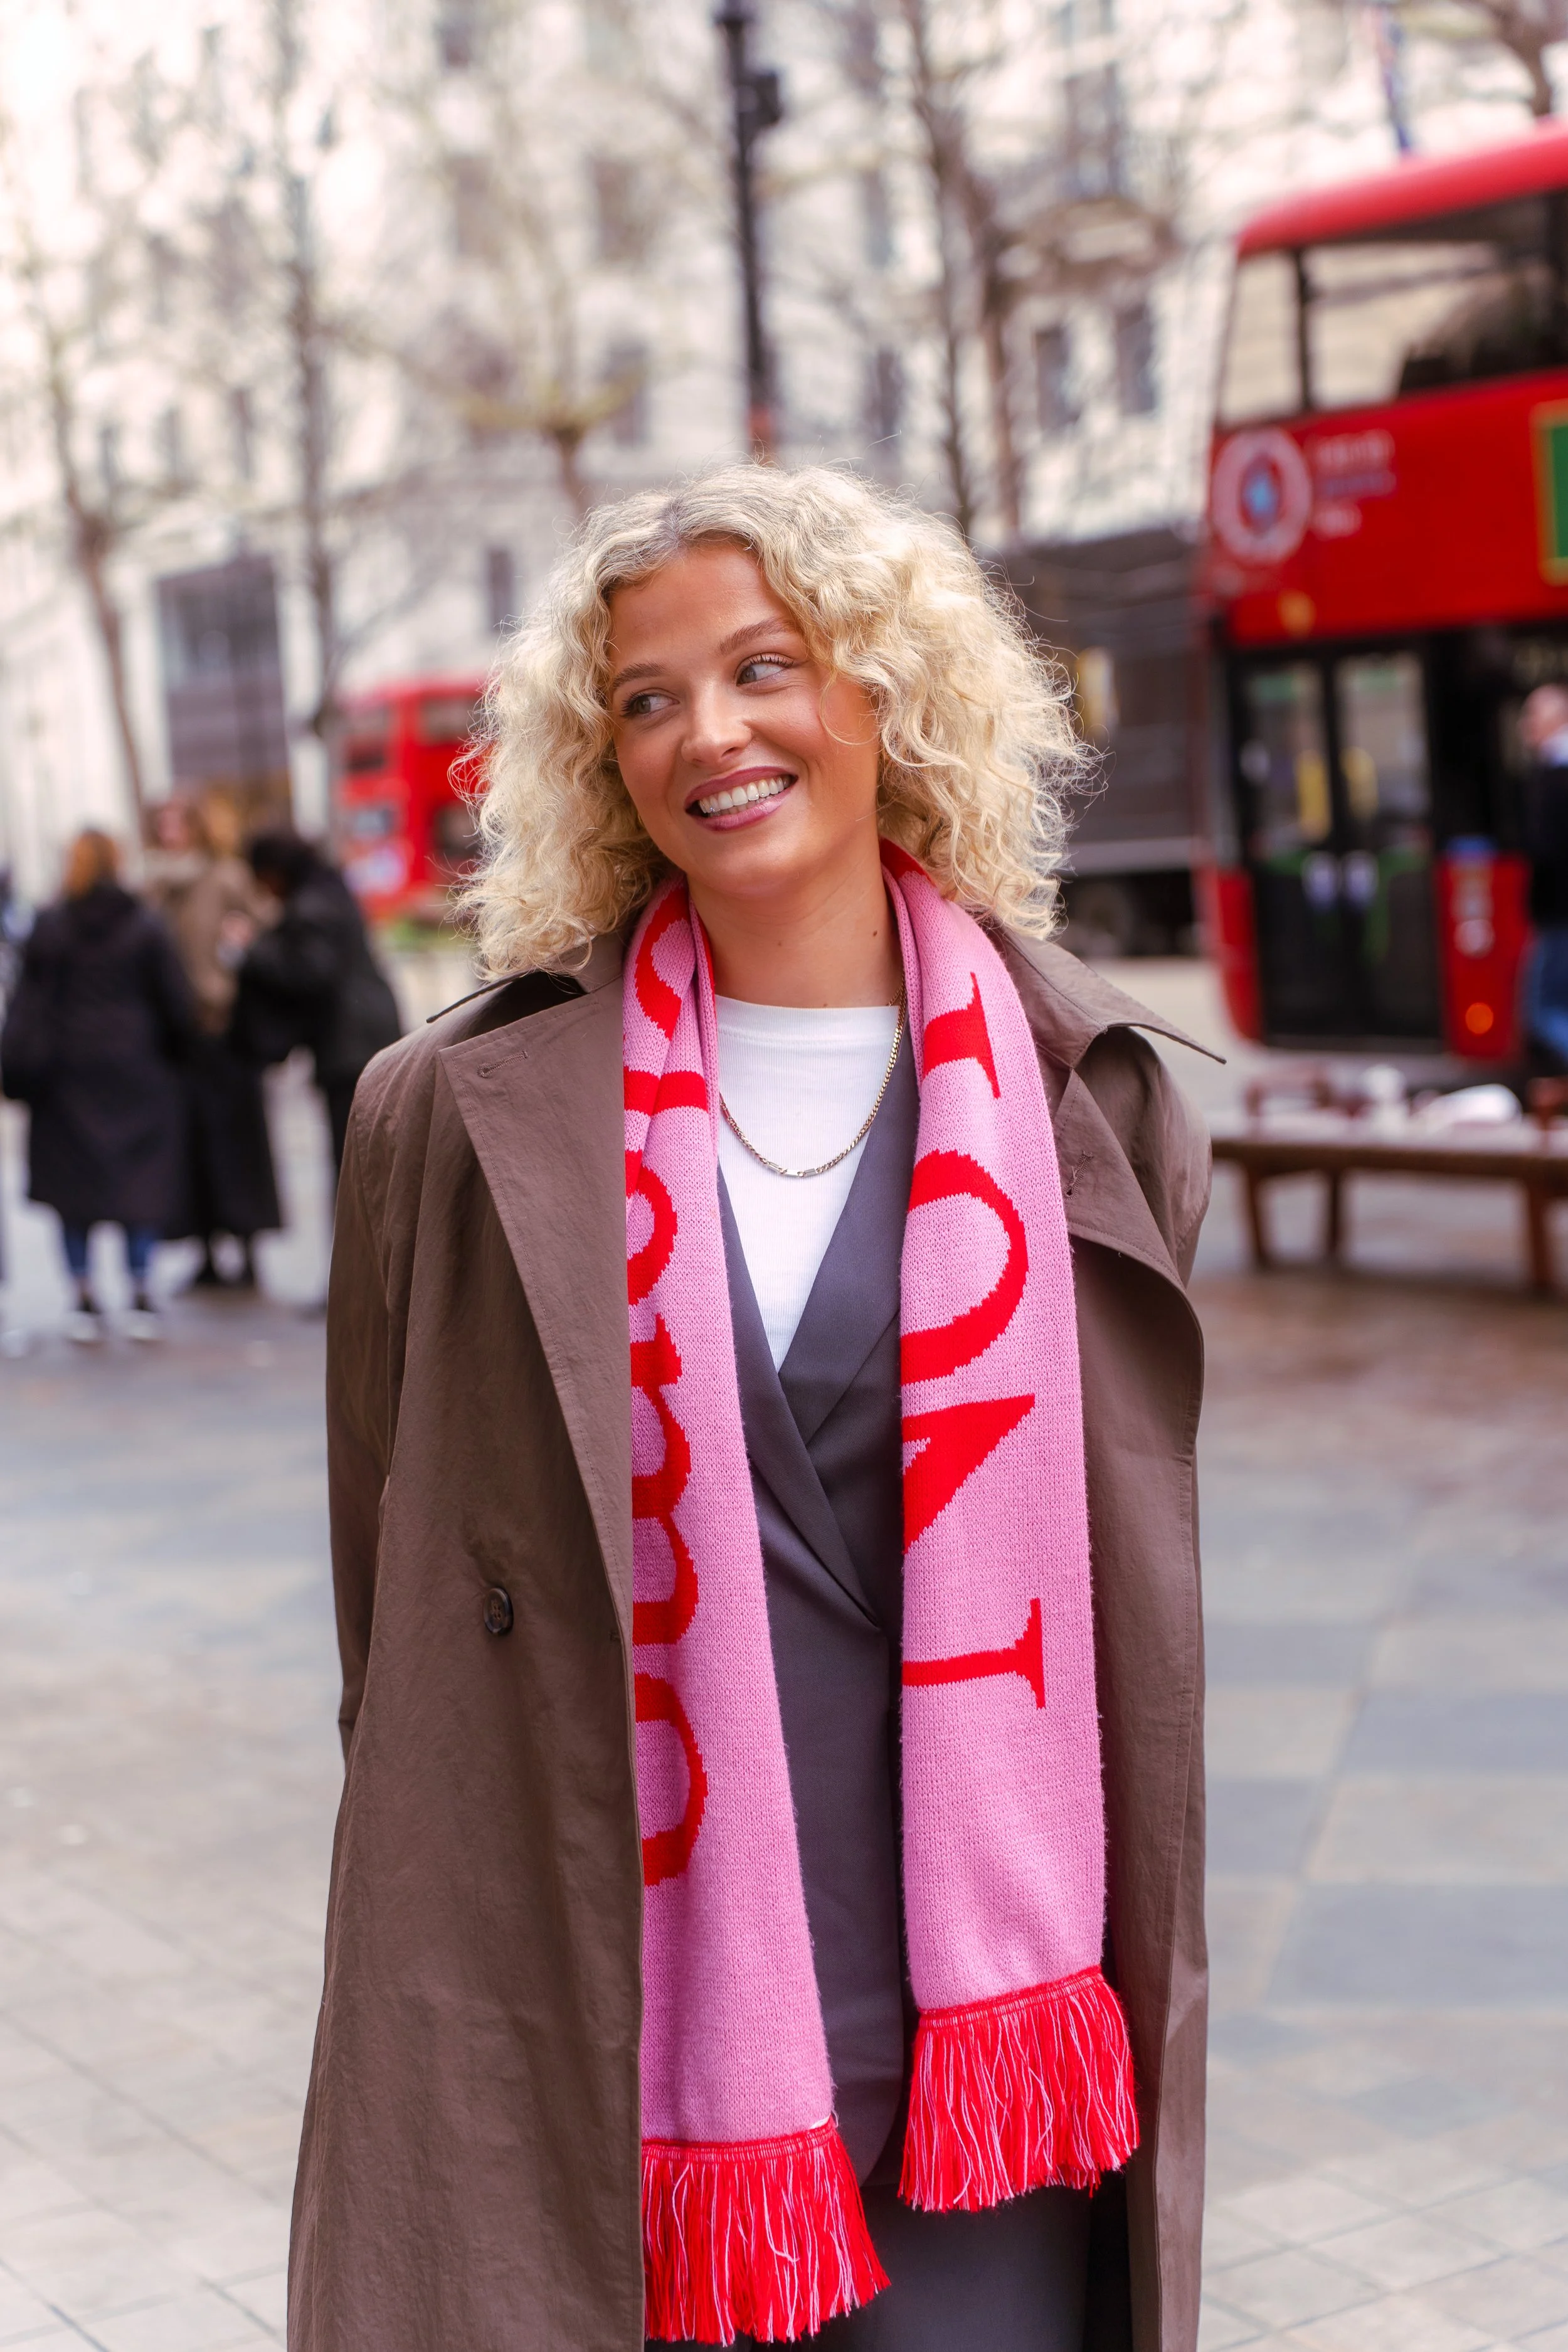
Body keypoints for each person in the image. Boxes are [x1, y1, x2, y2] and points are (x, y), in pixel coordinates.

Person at [288, 469, 1210, 2352]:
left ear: (880, 688)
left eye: (763, 665)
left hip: (994, 2039)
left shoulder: (1086, 1095)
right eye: (642, 695)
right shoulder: (448, 1122)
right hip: (617, 2018)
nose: (706, 731)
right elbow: (386, 1611)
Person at [0, 828, 195, 1341]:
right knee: (139, 1182)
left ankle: (82, 1295)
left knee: (74, 1191)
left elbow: (29, 1001)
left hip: (67, 1070)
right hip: (136, 1067)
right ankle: (139, 1289)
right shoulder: (145, 925)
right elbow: (176, 1002)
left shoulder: (50, 925)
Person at [143, 797, 281, 1286]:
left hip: (227, 1029)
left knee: (239, 1143)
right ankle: (205, 1251)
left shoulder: (226, 877)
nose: (171, 833)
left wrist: (242, 940)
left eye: (179, 822)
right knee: (190, 1146)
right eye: (163, 824)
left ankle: (246, 1252)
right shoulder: (155, 888)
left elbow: (267, 926)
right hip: (179, 1034)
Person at [234, 832, 401, 1173]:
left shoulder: (313, 905)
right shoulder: (328, 892)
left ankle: (359, 1227)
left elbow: (310, 972)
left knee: (356, 1156)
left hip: (350, 1045)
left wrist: (253, 950)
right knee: (368, 1151)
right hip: (365, 1033)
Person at [1520, 682, 1568, 1069]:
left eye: (1533, 715)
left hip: (1558, 915)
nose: (1525, 725)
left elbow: (1545, 849)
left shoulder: (1553, 773)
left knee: (1542, 1009)